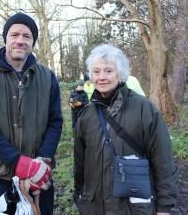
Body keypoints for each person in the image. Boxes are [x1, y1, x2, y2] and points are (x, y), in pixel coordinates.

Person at [0, 12, 63, 215]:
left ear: (32, 42)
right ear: (6, 38)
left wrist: (41, 163)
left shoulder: (48, 77)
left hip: (38, 179)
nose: (20, 40)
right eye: (14, 35)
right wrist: (19, 163)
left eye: (27, 36)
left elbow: (55, 122)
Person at [73, 44, 179, 215]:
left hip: (133, 208)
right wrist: (80, 197)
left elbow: (163, 161)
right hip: (94, 207)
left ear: (120, 75)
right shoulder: (86, 115)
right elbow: (80, 164)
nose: (102, 77)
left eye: (108, 71)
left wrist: (164, 207)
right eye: (97, 71)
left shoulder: (145, 109)